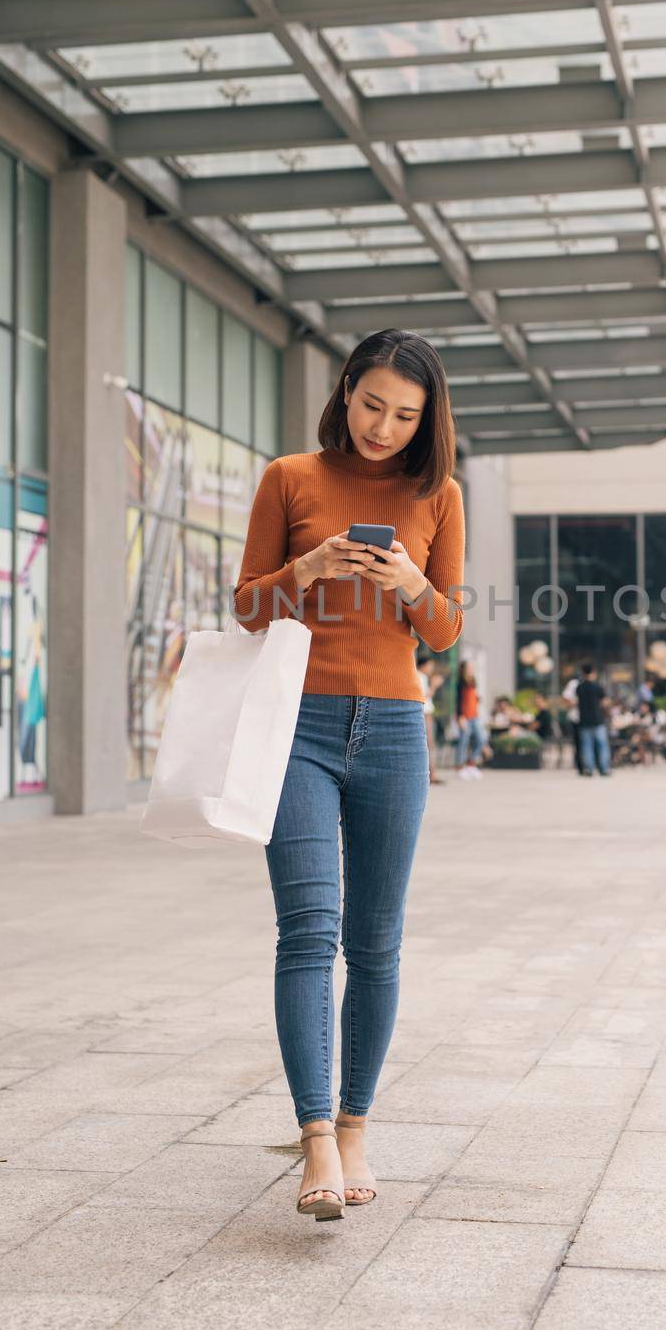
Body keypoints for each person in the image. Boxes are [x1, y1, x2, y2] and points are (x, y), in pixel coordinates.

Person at [234, 328, 465, 1221]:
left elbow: (443, 630)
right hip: (296, 725)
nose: (383, 427)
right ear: (345, 392)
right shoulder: (290, 477)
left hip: (397, 729)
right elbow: (247, 606)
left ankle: (357, 1123)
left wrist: (408, 580)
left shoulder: (437, 492)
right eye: (372, 405)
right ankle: (316, 1141)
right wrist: (309, 566)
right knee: (307, 932)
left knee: (375, 943)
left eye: (405, 415)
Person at [576, 661, 611, 777]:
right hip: (598, 719)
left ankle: (589, 769)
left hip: (584, 720)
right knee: (602, 745)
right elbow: (605, 702)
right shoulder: (597, 687)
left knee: (586, 746)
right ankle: (604, 769)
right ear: (593, 672)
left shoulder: (579, 687)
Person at [455, 660, 486, 779]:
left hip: (475, 716)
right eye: (469, 667)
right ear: (464, 669)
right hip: (465, 717)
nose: (472, 669)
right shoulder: (460, 683)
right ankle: (460, 767)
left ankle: (471, 764)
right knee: (463, 742)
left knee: (481, 739)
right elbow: (458, 701)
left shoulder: (473, 682)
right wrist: (460, 716)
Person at [417, 654, 443, 785]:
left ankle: (432, 772)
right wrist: (434, 686)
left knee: (429, 744)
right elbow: (423, 697)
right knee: (428, 744)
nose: (431, 668)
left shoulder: (423, 677)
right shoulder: (420, 677)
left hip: (427, 713)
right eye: (430, 665)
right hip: (424, 713)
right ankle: (431, 774)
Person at [561, 669, 584, 773]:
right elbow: (565, 698)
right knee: (579, 742)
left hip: (588, 718)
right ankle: (580, 765)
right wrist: (576, 703)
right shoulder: (574, 683)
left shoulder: (591, 682)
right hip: (576, 718)